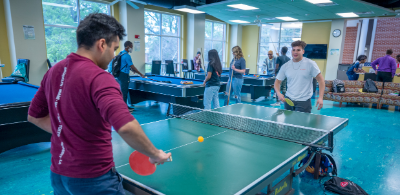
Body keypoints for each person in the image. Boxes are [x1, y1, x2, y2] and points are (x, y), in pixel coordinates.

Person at [27, 13, 171, 194]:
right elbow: (125, 126)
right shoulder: (100, 78)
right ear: (102, 44)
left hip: (59, 176)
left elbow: (34, 116)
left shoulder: (54, 70)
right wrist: (155, 154)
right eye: (114, 48)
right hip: (93, 178)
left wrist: (69, 131)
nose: (114, 55)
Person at [274, 40, 325, 113]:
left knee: (301, 123)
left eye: (298, 50)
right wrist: (278, 93)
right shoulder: (286, 66)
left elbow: (321, 80)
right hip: (288, 100)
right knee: (289, 123)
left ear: (303, 51)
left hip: (304, 101)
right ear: (291, 51)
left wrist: (320, 98)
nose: (295, 52)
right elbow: (277, 82)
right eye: (293, 50)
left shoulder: (310, 64)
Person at [109, 41, 145, 110]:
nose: (132, 48)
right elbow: (132, 66)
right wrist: (141, 74)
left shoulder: (121, 53)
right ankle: (124, 108)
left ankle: (123, 106)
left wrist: (132, 70)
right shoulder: (127, 56)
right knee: (124, 92)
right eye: (131, 47)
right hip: (124, 75)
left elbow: (124, 65)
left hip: (119, 75)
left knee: (122, 91)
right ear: (128, 47)